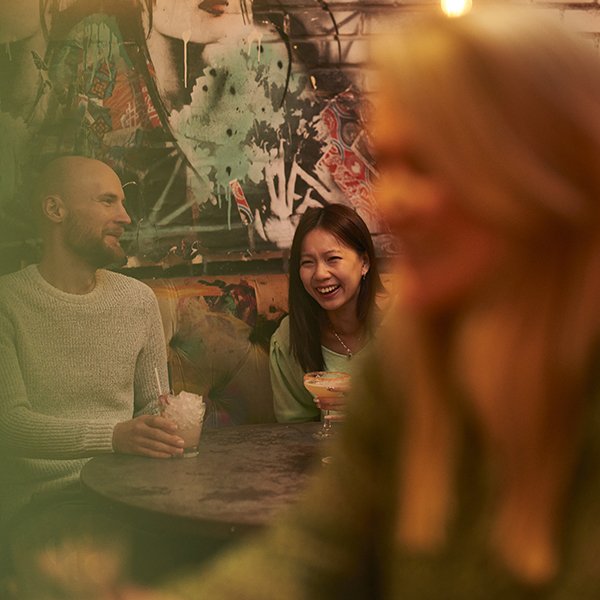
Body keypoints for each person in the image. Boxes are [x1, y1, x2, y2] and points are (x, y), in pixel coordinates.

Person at [120, 5, 600, 599]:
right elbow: (313, 548)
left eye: (426, 164)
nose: (392, 201)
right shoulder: (414, 353)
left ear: (549, 164)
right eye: (388, 162)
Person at [0, 155, 186, 597]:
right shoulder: (8, 301)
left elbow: (153, 407)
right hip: (45, 502)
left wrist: (165, 429)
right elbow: (9, 423)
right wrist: (114, 436)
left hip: (129, 494)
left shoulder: (138, 300)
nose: (125, 217)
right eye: (108, 201)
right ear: (55, 210)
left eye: (123, 203)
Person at [270, 203, 384, 422]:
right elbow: (295, 435)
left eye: (333, 259)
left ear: (365, 263)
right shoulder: (290, 339)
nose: (320, 274)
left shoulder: (403, 327)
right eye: (307, 262)